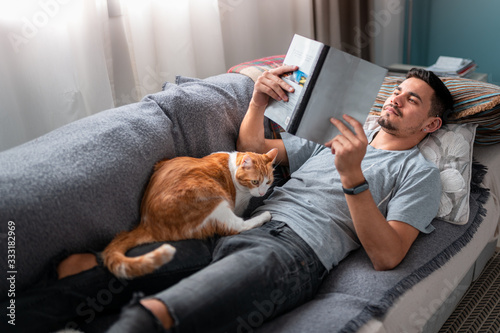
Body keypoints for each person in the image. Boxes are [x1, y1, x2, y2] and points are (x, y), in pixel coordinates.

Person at [4, 66, 453, 333]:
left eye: (412, 101)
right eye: (397, 91)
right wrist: (257, 101)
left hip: (291, 252)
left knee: (150, 318)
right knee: (93, 281)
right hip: (225, 229)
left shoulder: (419, 174)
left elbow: (387, 255)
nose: (396, 101)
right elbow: (253, 152)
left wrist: (353, 178)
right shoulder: (340, 137)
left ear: (430, 126)